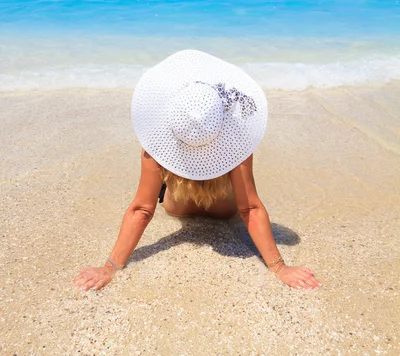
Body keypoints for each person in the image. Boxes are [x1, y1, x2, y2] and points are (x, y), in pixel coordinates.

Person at [73, 50, 321, 292]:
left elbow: (142, 209)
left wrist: (109, 267)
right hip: (225, 211)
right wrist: (279, 268)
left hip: (176, 206)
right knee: (241, 195)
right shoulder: (236, 143)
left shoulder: (154, 143)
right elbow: (250, 209)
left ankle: (173, 178)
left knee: (162, 189)